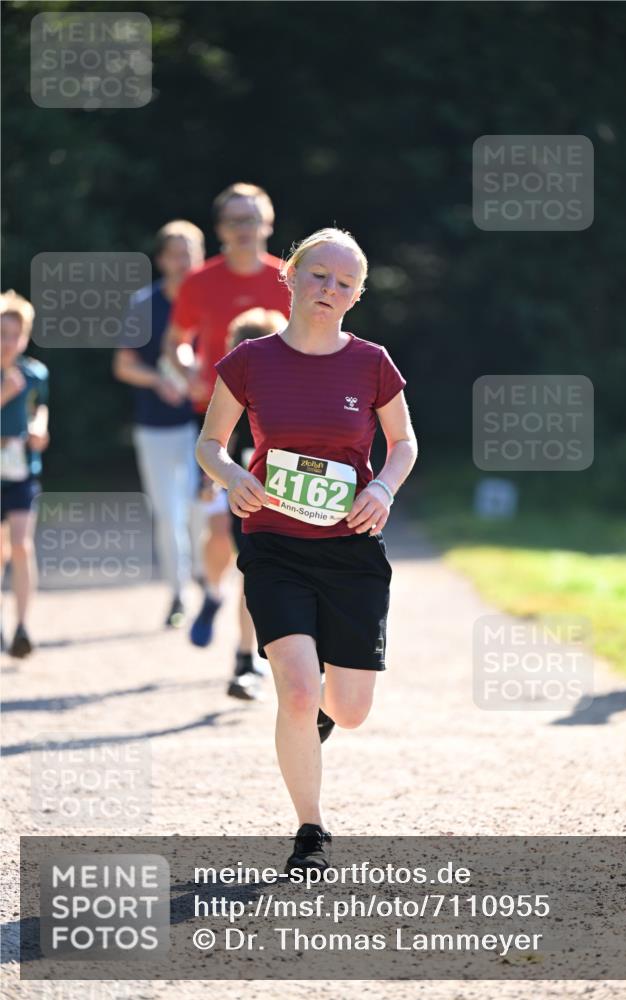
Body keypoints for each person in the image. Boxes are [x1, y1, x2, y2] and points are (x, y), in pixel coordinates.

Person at [196, 228, 418, 874]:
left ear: (356, 297)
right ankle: (310, 830)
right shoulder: (250, 362)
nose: (329, 290)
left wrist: (381, 485)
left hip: (351, 551)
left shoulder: (372, 362)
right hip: (276, 547)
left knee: (346, 710)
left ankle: (317, 724)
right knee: (295, 691)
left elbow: (403, 443)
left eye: (344, 283)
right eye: (318, 275)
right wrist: (232, 477)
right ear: (290, 276)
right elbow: (211, 443)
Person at [163, 183, 290, 659]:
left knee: (260, 537)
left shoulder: (289, 279)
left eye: (251, 218)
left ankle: (246, 654)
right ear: (219, 229)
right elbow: (176, 341)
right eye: (234, 221)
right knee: (219, 532)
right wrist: (189, 370)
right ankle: (214, 594)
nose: (244, 229)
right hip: (218, 419)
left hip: (277, 423)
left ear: (268, 223)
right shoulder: (200, 281)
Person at [113, 221, 205, 627]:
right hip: (155, 426)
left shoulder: (211, 300)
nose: (183, 261)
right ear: (162, 258)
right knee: (168, 514)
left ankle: (207, 578)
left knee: (201, 510)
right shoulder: (143, 304)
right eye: (175, 253)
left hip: (206, 424)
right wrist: (160, 381)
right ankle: (178, 592)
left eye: (190, 252)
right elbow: (124, 365)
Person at [223, 307, 288, 700]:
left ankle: (299, 664)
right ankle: (246, 658)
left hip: (295, 506)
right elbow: (218, 445)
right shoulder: (232, 397)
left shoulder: (296, 395)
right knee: (253, 579)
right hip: (248, 504)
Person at [0, 290, 49, 658]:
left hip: (20, 472)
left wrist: (39, 430)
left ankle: (22, 626)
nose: (6, 342)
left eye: (13, 335)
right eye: (1, 333)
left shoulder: (35, 373)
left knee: (20, 544)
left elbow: (40, 410)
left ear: (25, 337)